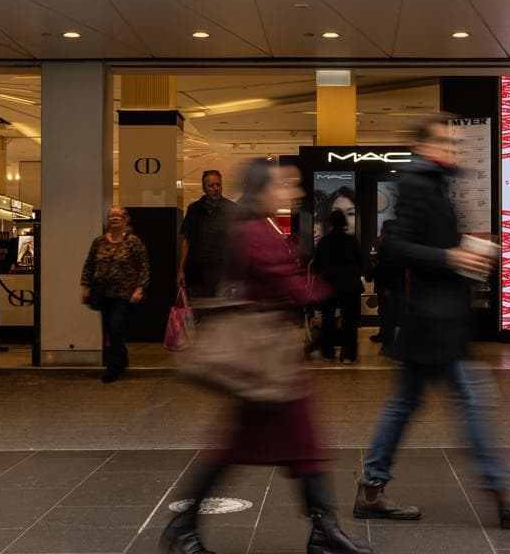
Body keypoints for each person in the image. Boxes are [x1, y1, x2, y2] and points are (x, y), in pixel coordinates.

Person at [355, 114, 510, 526]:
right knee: (471, 400)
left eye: (454, 143)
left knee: (405, 404)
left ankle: (372, 487)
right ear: (423, 147)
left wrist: (467, 251)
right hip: (433, 321)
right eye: (445, 142)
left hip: (434, 319)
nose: (453, 149)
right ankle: (503, 492)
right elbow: (396, 245)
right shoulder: (418, 183)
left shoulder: (435, 183)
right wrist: (451, 256)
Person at [160, 160, 371, 554]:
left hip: (270, 363)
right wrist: (319, 288)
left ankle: (321, 528)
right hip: (266, 362)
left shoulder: (259, 227)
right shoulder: (254, 231)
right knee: (287, 445)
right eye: (284, 184)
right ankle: (321, 529)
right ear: (261, 190)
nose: (293, 191)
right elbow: (288, 284)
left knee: (279, 445)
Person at [80, 206, 149, 384]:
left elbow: (143, 266)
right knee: (110, 330)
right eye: (112, 216)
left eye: (118, 216)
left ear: (125, 220)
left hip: (124, 293)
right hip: (103, 293)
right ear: (108, 220)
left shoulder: (133, 242)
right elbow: (89, 264)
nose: (115, 218)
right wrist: (85, 285)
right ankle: (122, 359)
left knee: (116, 327)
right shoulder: (99, 242)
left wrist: (140, 288)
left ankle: (113, 368)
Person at [312, 209, 364, 364]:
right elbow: (360, 263)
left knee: (328, 320)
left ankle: (328, 353)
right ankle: (348, 354)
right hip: (350, 286)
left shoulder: (323, 242)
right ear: (344, 223)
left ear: (330, 223)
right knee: (350, 321)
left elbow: (317, 266)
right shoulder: (352, 241)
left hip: (329, 285)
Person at [178, 170, 235, 300]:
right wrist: (180, 269)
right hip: (196, 272)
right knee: (197, 308)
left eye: (218, 184)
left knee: (220, 309)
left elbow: (237, 243)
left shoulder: (231, 209)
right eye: (211, 185)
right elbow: (187, 239)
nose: (216, 188)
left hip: (221, 273)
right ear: (204, 188)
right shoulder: (193, 209)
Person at [369, 219, 403, 347]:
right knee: (386, 313)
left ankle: (387, 342)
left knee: (387, 314)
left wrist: (383, 286)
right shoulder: (396, 245)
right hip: (392, 286)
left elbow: (384, 268)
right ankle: (383, 336)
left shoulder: (387, 246)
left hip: (388, 287)